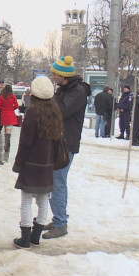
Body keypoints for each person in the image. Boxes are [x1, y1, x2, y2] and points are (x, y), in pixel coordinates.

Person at [11, 76, 63, 248]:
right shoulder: (55, 112)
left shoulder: (32, 112)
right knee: (42, 200)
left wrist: (18, 163)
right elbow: (57, 141)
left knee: (26, 201)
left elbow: (25, 142)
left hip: (31, 164)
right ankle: (35, 237)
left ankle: (25, 237)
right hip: (47, 164)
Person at [43, 56, 90, 239]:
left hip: (66, 143)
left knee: (57, 182)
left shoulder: (76, 92)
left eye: (55, 75)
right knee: (56, 182)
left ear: (64, 76)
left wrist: (46, 99)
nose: (53, 77)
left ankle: (61, 223)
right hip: (59, 141)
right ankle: (58, 219)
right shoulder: (65, 89)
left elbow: (60, 111)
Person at [0, 84, 20, 152]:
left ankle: (6, 142)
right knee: (9, 128)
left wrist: (3, 108)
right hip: (11, 114)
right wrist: (12, 108)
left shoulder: (2, 96)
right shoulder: (13, 96)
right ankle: (7, 140)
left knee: (5, 128)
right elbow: (17, 106)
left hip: (4, 114)